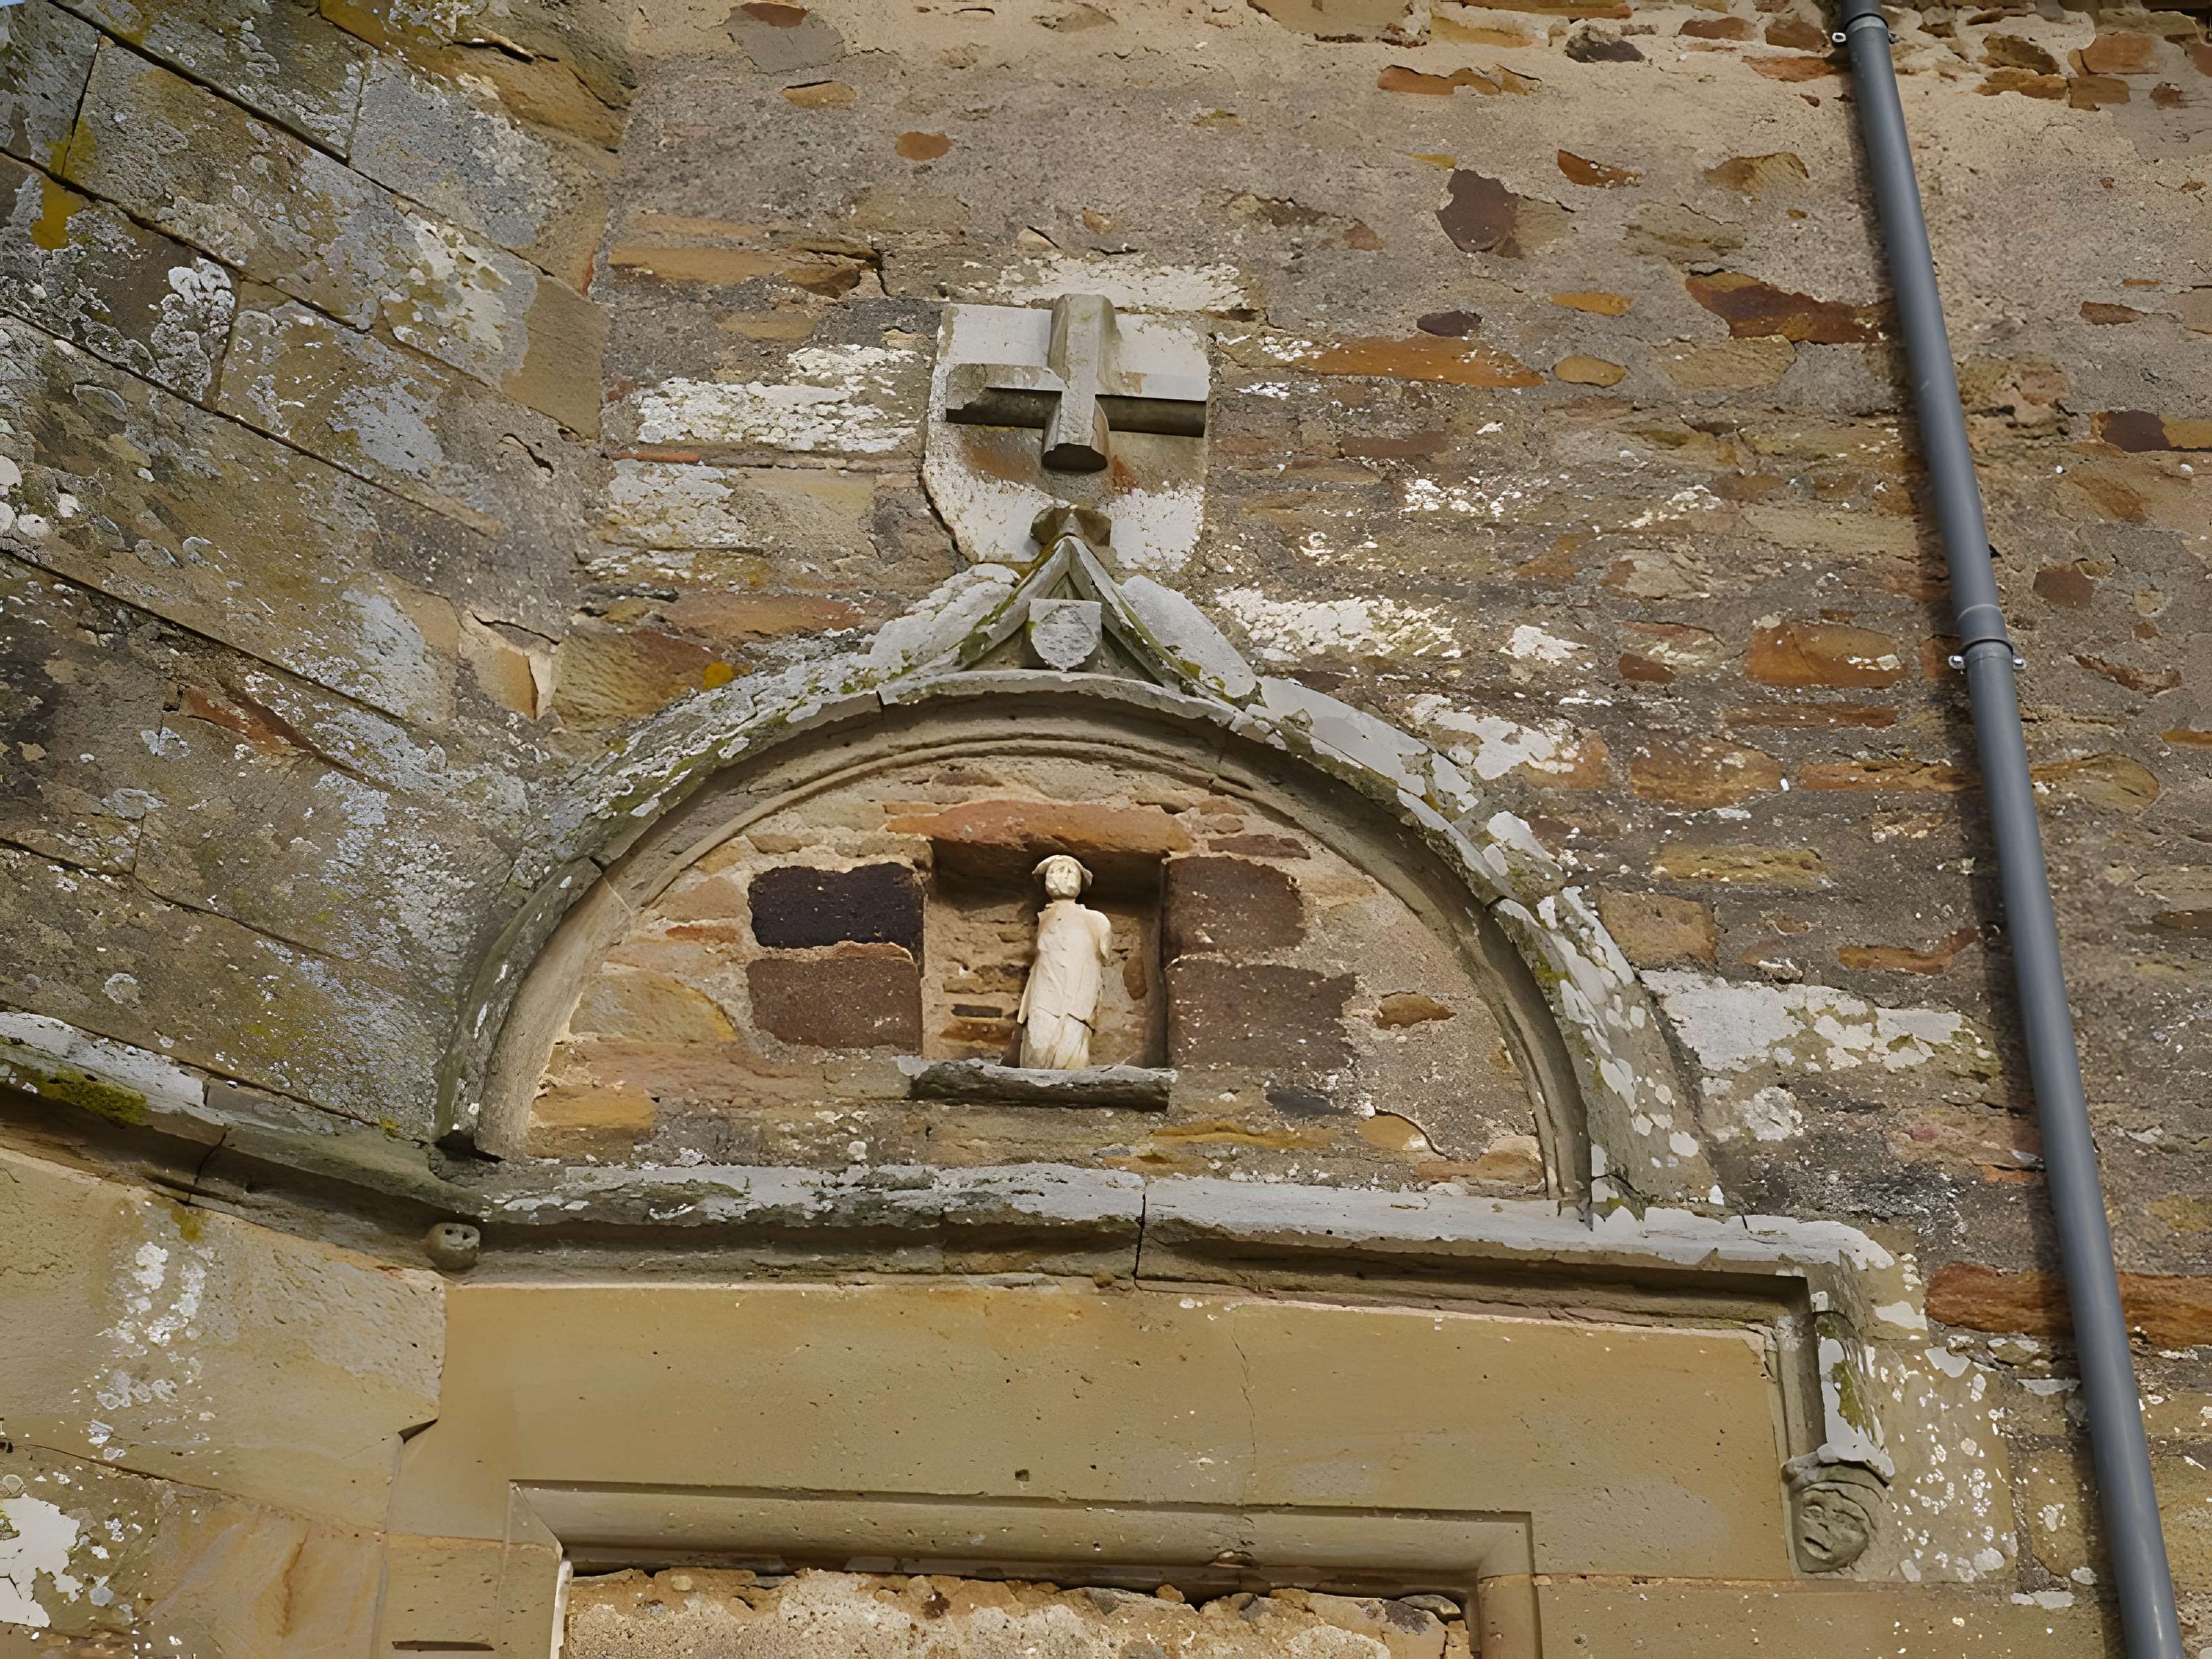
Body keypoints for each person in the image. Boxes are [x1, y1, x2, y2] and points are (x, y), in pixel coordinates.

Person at [1016, 854, 1113, 1070]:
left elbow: (1101, 956)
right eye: (1055, 871)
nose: (1062, 876)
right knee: (1039, 1041)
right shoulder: (1045, 918)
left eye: (1069, 871)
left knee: (1070, 1046)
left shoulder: (1096, 921)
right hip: (1045, 989)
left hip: (1078, 994)